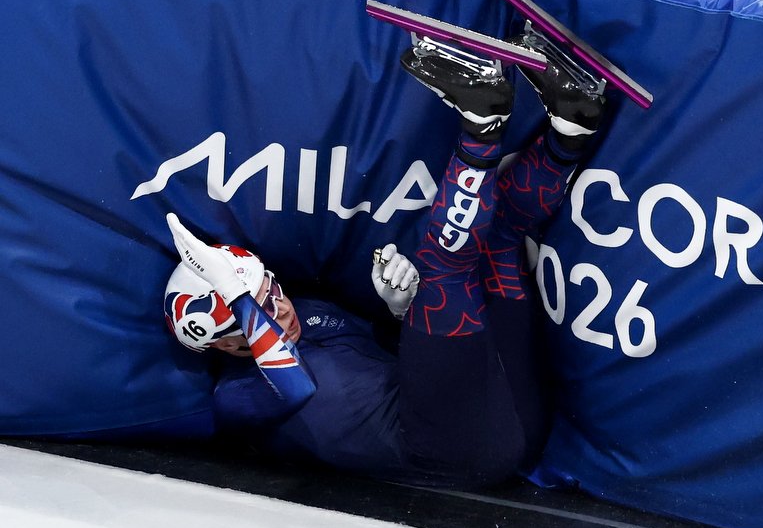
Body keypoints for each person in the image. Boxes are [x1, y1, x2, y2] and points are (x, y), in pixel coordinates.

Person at [162, 45, 604, 488]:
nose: (278, 309)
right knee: (444, 266)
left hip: (508, 411)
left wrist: (401, 310)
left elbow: (410, 356)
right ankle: (481, 126)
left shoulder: (309, 309)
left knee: (499, 240)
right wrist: (234, 294)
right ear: (223, 347)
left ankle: (571, 126)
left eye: (270, 290)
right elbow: (294, 386)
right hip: (452, 454)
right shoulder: (236, 395)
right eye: (252, 314)